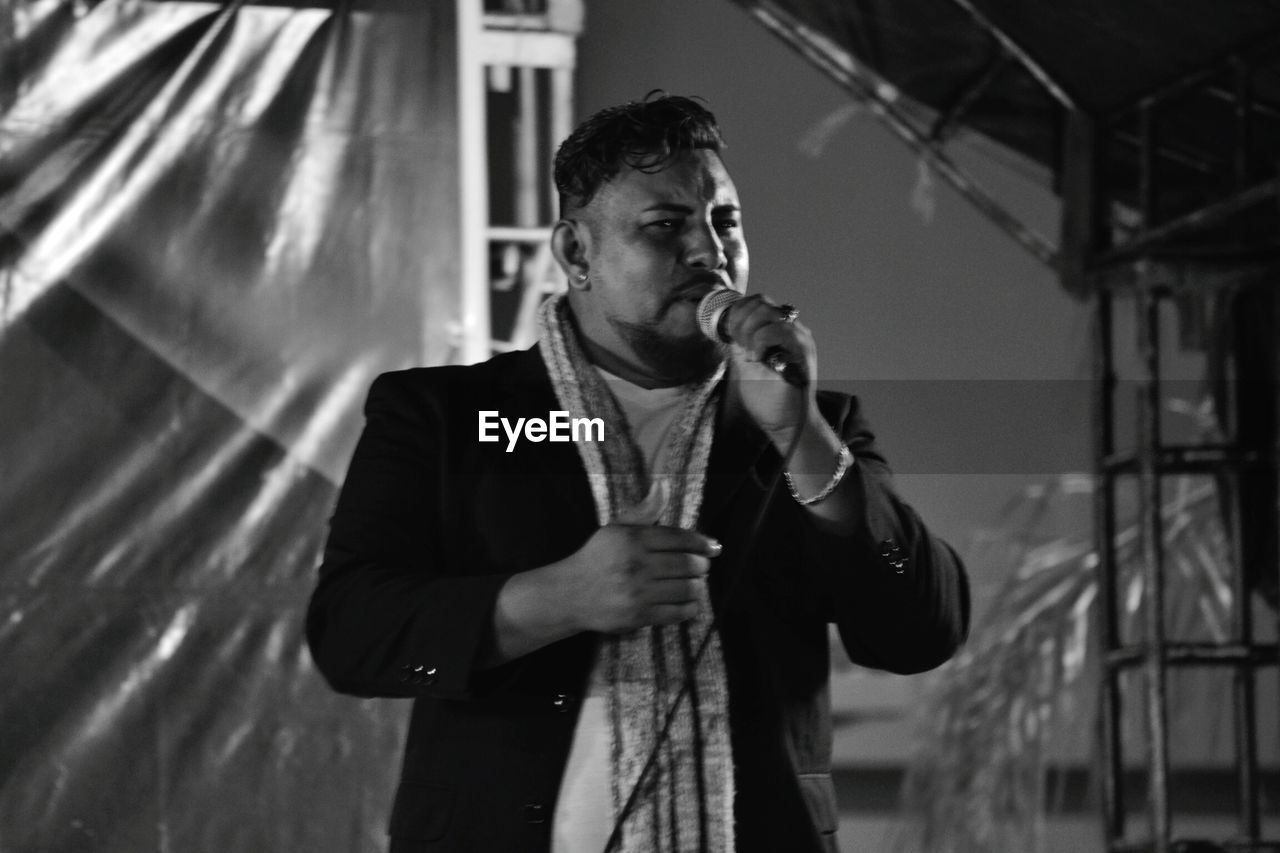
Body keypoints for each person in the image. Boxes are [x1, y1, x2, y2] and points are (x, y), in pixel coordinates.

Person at [306, 93, 969, 853]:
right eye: (666, 226)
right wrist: (558, 598)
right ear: (577, 254)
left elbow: (922, 631)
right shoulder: (447, 415)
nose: (709, 253)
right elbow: (351, 632)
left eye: (725, 221)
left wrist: (800, 433)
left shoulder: (812, 427)